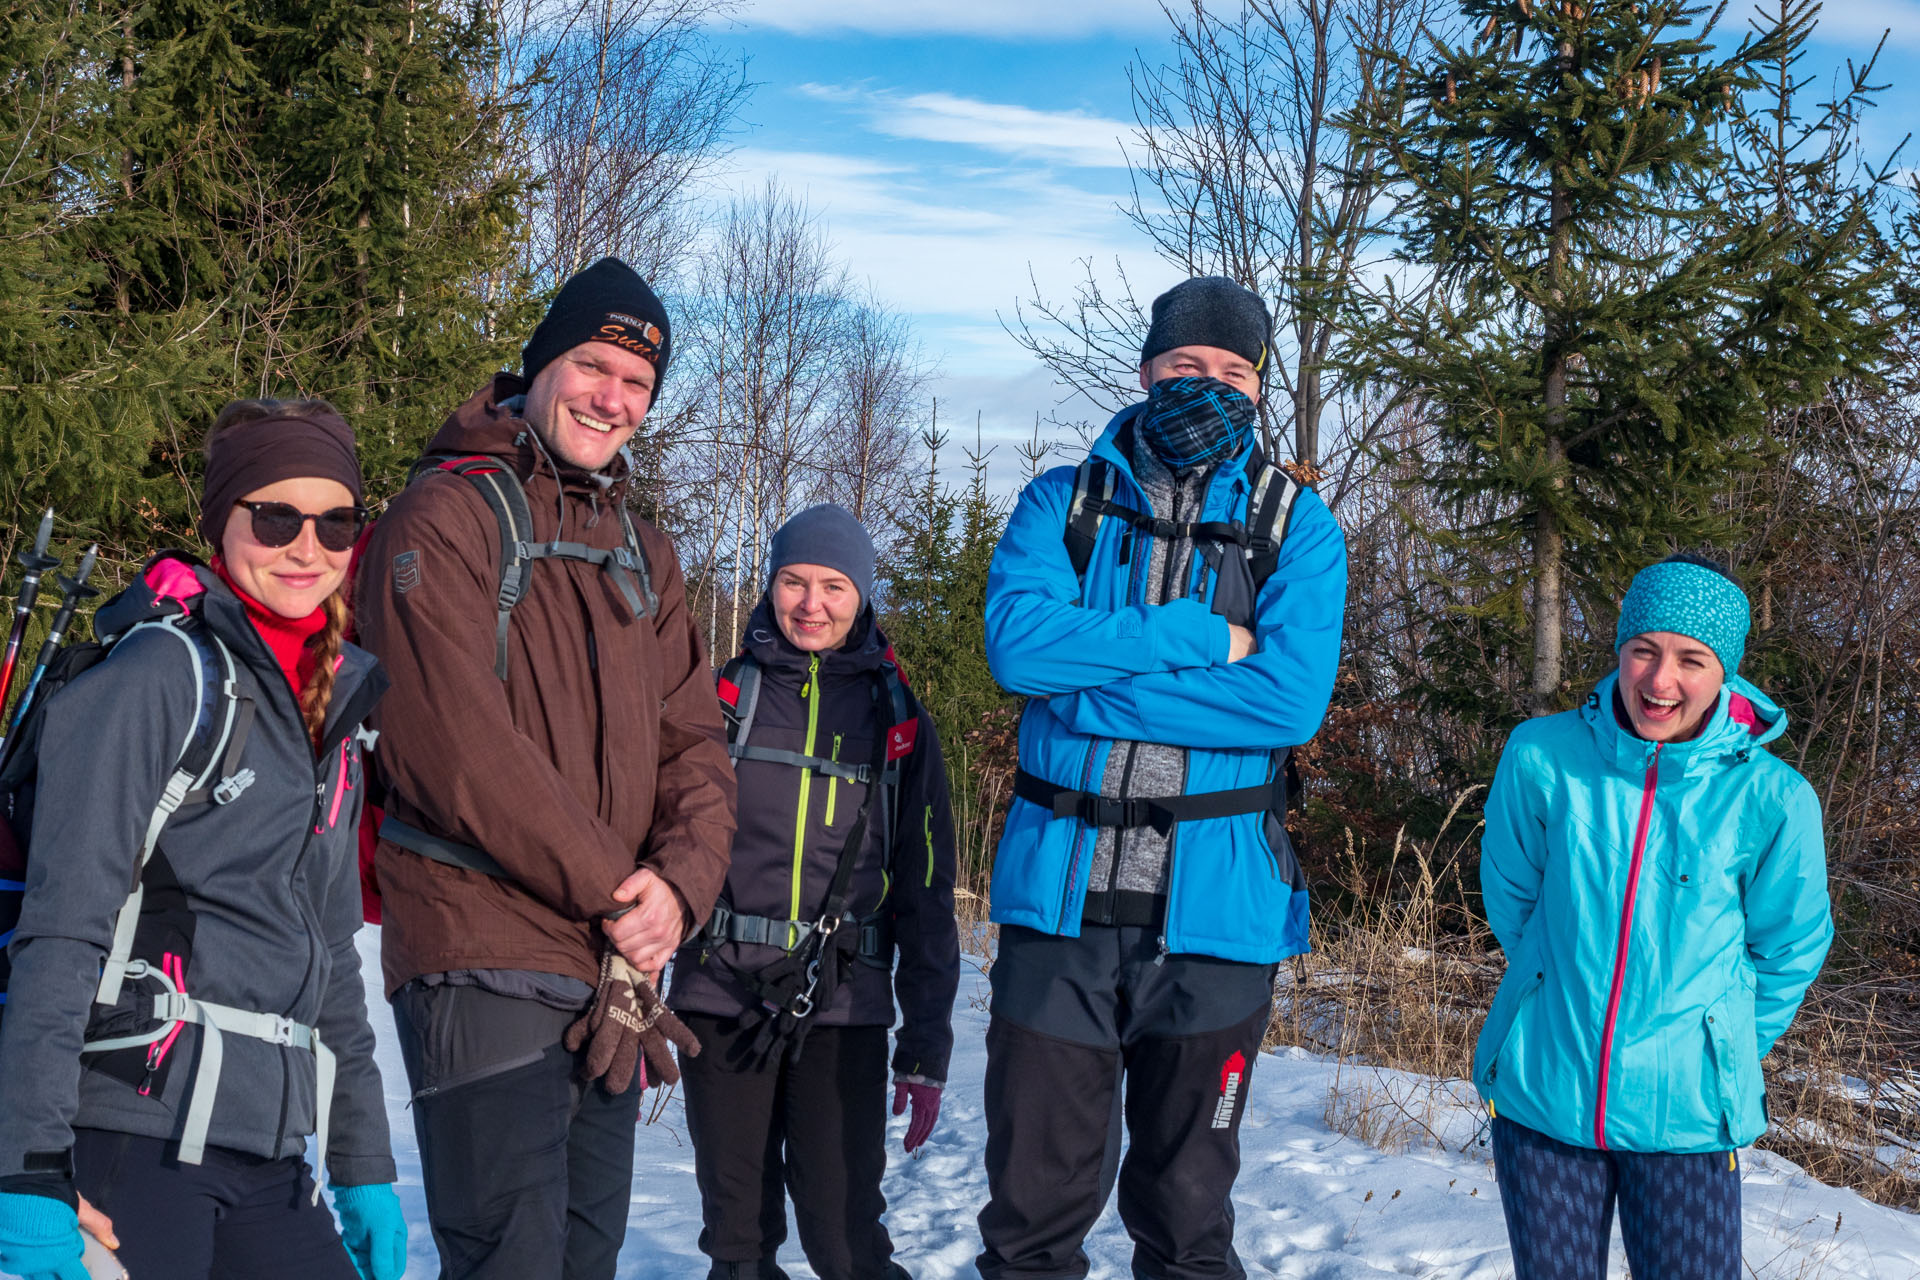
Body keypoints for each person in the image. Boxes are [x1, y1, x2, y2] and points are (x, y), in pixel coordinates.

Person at [355, 255, 735, 1280]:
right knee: (508, 1256)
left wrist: (682, 888)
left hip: (609, 962)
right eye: (595, 365)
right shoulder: (443, 517)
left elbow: (696, 740)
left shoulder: (643, 550)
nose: (613, 398)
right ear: (542, 362)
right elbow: (454, 742)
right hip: (478, 941)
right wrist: (625, 893)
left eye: (638, 384)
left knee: (582, 1256)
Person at [977, 276, 1348, 1279]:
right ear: (1147, 370)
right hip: (1059, 911)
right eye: (1188, 365)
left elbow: (1285, 705)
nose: (1210, 385)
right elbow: (1018, 651)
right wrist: (1193, 636)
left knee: (1188, 1217)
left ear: (1262, 389)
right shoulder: (1064, 503)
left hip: (1218, 916)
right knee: (1030, 1213)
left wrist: (1087, 686)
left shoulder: (1296, 526)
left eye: (1235, 372)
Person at [0, 399, 406, 1280]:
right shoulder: (157, 678)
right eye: (275, 516)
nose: (308, 547)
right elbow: (61, 927)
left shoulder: (335, 712)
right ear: (221, 521)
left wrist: (364, 1165)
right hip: (129, 1135)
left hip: (268, 1155)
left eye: (336, 522)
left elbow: (332, 959)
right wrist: (29, 1171)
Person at [1474, 554, 1832, 1280]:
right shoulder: (1542, 757)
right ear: (1619, 651)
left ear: (1723, 671)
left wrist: (1719, 1040)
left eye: (1690, 659)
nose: (1659, 680)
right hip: (1546, 1096)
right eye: (1644, 650)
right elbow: (1514, 900)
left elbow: (1789, 946)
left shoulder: (1772, 798)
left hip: (1690, 1116)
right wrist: (1553, 989)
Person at [669, 504, 960, 1280]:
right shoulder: (721, 697)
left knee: (843, 1239)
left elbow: (927, 889)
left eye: (834, 586)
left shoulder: (898, 719)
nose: (811, 604)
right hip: (720, 995)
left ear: (861, 595)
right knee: (737, 1240)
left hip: (845, 1003)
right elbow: (660, 844)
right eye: (794, 581)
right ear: (769, 586)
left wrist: (926, 1041)